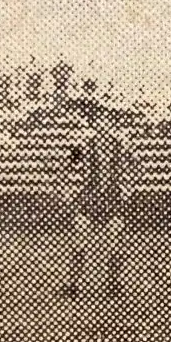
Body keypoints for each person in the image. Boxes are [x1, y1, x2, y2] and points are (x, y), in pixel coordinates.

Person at [59, 101, 131, 300]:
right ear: (95, 124)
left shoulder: (120, 147)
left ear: (111, 124)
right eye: (99, 120)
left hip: (112, 201)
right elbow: (69, 168)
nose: (103, 124)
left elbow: (132, 169)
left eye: (107, 120)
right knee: (79, 242)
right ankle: (72, 284)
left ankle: (114, 284)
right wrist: (73, 193)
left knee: (115, 244)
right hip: (89, 201)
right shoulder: (84, 146)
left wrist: (126, 190)